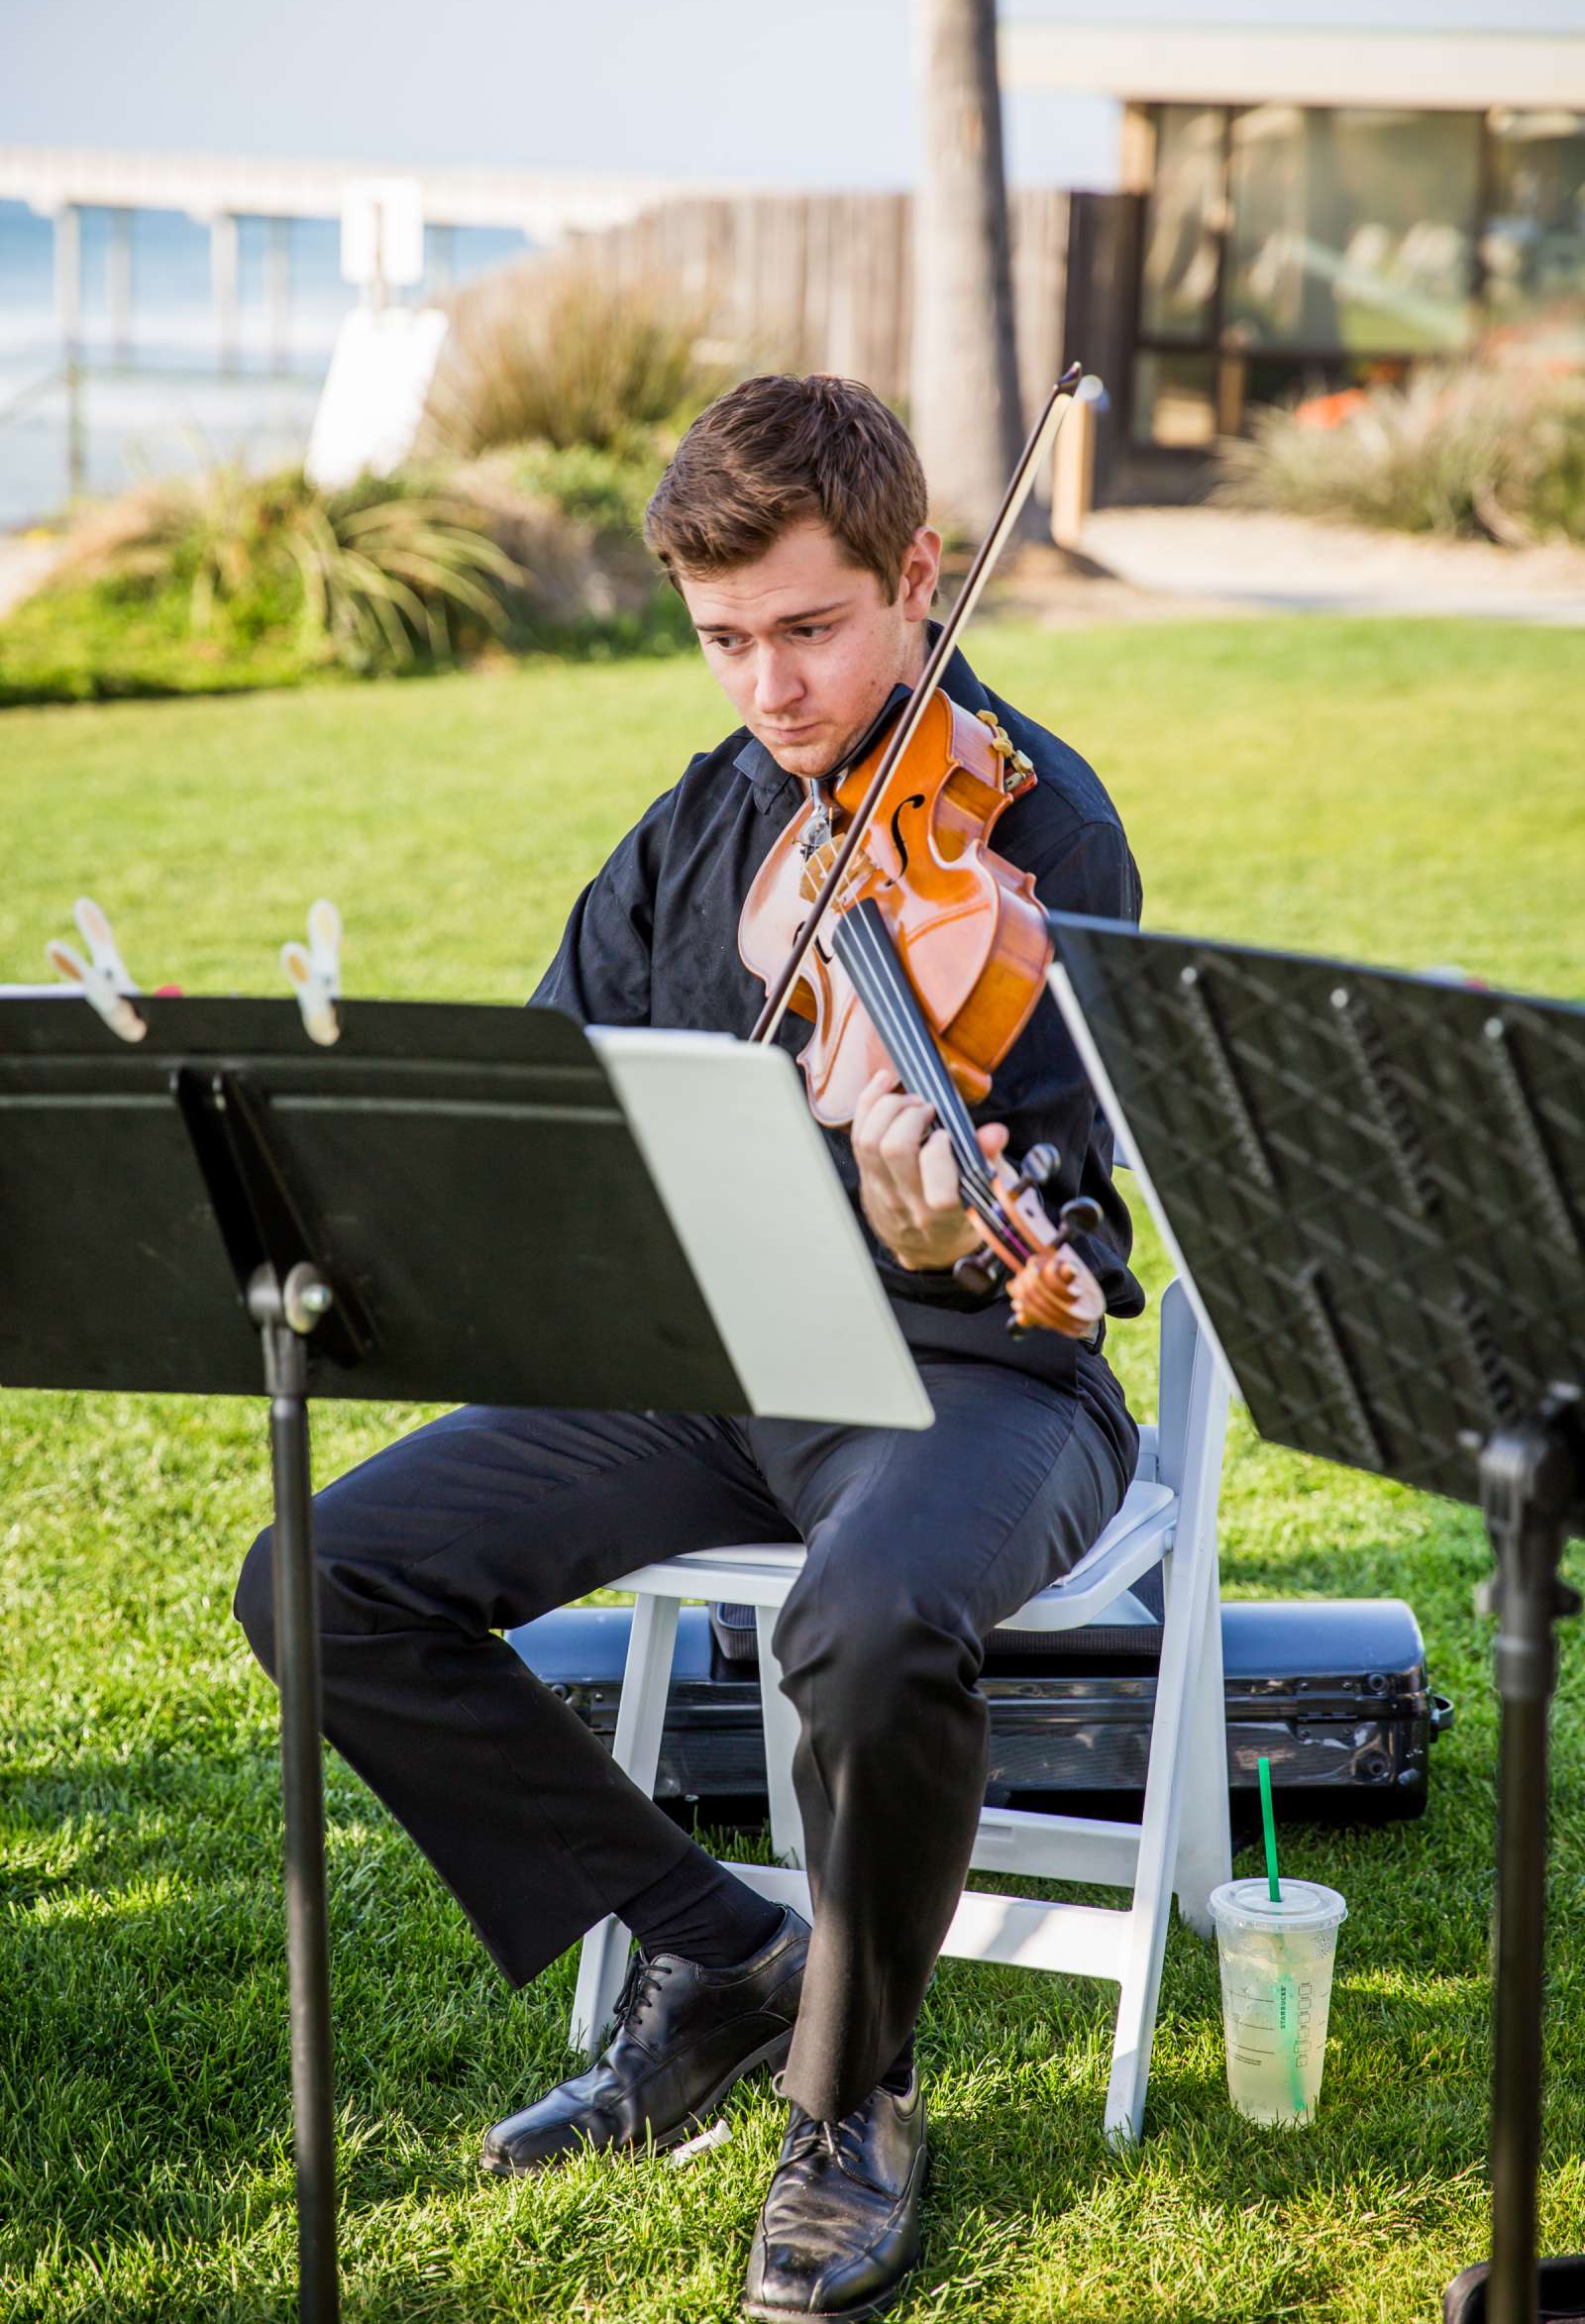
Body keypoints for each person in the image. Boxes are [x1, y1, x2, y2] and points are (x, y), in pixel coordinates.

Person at [234, 372, 1145, 2322]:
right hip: (709, 1366)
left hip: (970, 1377)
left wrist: (953, 1223)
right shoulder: (699, 823)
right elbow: (567, 1096)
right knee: (319, 1574)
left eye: (809, 630)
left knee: (867, 1623)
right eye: (722, 639)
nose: (768, 687)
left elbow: (1065, 1197)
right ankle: (721, 1950)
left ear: (918, 577)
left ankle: (853, 2097)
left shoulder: (1035, 826)